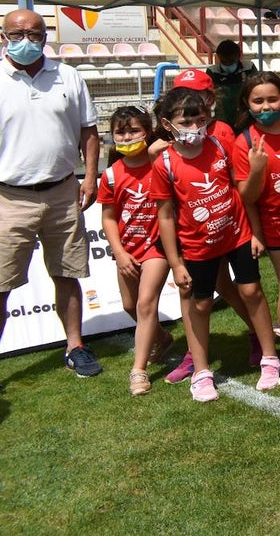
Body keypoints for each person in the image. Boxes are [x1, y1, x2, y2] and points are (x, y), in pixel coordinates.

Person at [151, 87, 280, 402]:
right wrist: (176, 262)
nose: (194, 127)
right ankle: (202, 371)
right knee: (201, 304)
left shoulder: (221, 146)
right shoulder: (163, 163)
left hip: (237, 235)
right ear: (168, 125)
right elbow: (166, 218)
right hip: (197, 247)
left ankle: (270, 358)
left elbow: (241, 192)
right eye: (186, 121)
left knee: (251, 291)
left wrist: (254, 232)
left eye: (199, 119)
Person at [0, 9, 102, 376]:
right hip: (9, 197)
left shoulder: (69, 76)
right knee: (1, 283)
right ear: (2, 37)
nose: (26, 40)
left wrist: (90, 178)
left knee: (67, 273)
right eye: (17, 33)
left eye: (35, 33)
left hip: (63, 192)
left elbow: (89, 132)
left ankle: (75, 346)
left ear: (46, 36)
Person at [233, 72, 280, 387]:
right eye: (258, 101)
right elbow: (247, 196)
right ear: (247, 104)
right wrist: (257, 170)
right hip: (278, 228)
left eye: (272, 99)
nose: (266, 106)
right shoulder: (245, 142)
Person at [99, 105, 172, 394]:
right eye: (121, 131)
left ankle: (138, 370)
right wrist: (119, 252)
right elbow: (107, 218)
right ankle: (163, 337)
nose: (127, 137)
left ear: (148, 131)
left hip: (157, 247)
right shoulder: (112, 175)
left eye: (134, 130)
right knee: (130, 306)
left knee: (145, 304)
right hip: (128, 250)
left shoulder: (161, 164)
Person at [207, 40, 258, 126]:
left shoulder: (249, 67)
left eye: (231, 61)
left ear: (238, 56)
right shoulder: (212, 71)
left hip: (244, 113)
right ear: (219, 57)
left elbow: (256, 88)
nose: (227, 64)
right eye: (224, 62)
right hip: (222, 115)